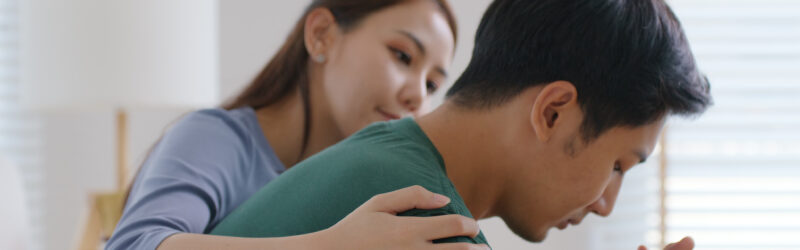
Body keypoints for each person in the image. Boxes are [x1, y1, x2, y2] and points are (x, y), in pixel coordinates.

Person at [209, 0, 712, 249]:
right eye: (619, 164)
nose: (606, 205)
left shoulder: (382, 153)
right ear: (552, 111)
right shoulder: (425, 219)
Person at [107, 1, 491, 250]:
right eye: (402, 55)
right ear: (322, 35)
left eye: (432, 85)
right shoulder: (216, 138)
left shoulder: (370, 187)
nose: (416, 97)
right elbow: (137, 243)